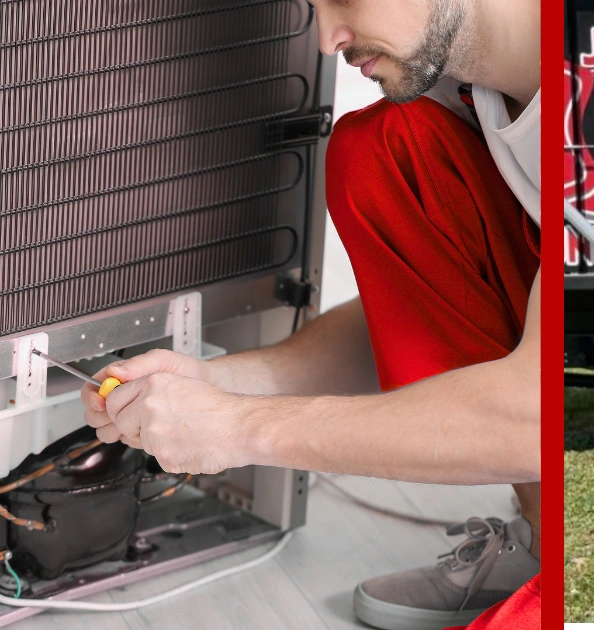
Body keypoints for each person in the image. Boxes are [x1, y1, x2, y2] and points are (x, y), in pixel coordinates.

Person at [78, 1, 543, 629]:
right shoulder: (462, 89)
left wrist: (240, 430)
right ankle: (548, 535)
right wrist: (219, 386)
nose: (328, 41)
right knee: (384, 151)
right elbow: (418, 310)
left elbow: (533, 417)